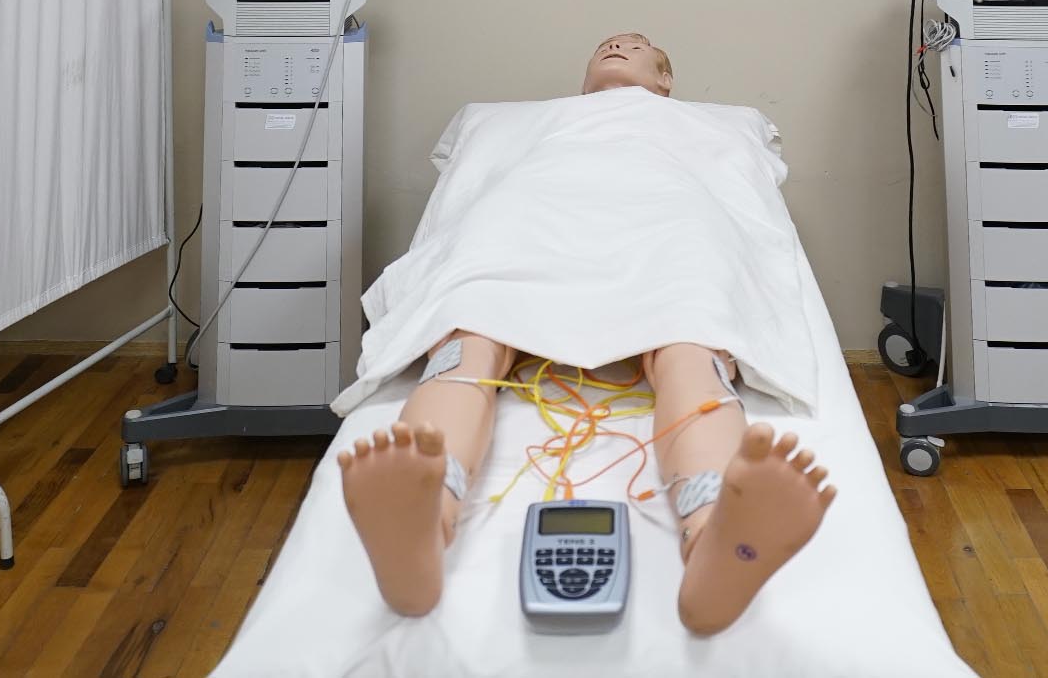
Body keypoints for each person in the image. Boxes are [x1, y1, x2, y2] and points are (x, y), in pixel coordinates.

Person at [337, 33, 835, 635]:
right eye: (607, 43)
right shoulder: (533, 121)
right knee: (469, 329)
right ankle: (425, 514)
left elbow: (735, 195)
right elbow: (477, 188)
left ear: (666, 78)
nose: (618, 44)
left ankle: (713, 532)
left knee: (690, 341)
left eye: (637, 45)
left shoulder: (704, 123)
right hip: (531, 215)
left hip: (667, 220)